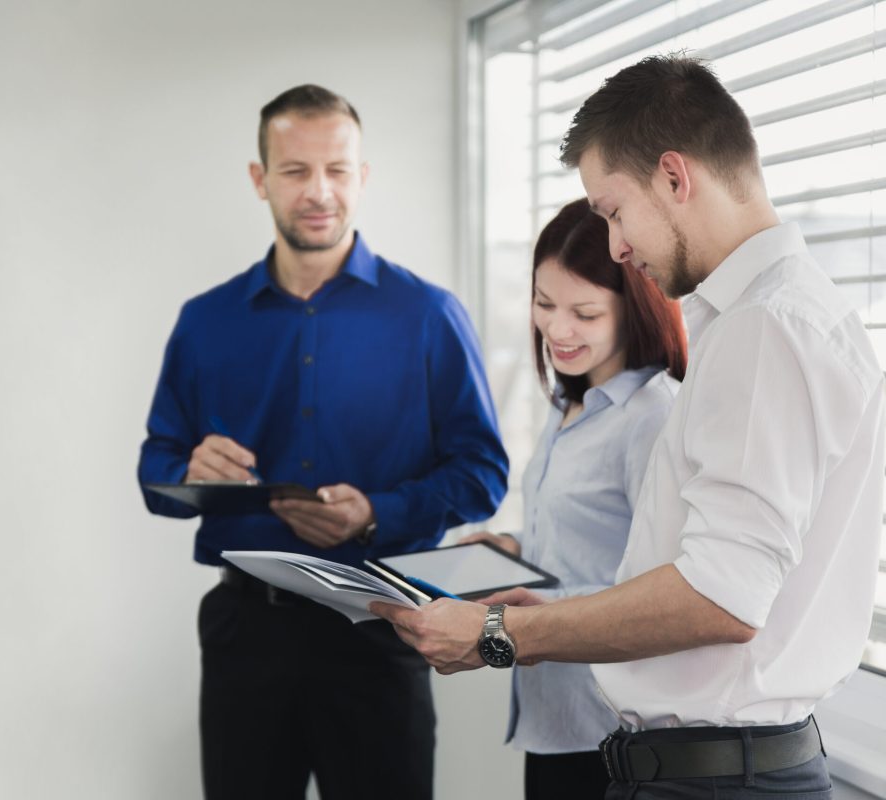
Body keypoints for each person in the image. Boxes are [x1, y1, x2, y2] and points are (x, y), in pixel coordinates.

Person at [372, 55, 885, 799]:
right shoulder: (786, 314)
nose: (614, 245)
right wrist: (546, 608)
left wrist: (500, 635)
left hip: (716, 780)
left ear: (674, 177)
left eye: (613, 211)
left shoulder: (764, 328)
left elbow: (722, 597)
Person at [137, 84, 508, 800]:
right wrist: (189, 469)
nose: (318, 191)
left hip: (381, 627)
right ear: (260, 179)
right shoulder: (205, 321)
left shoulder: (428, 315)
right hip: (246, 636)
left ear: (361, 177)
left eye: (337, 170)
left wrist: (374, 513)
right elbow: (156, 470)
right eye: (295, 170)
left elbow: (482, 474)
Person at [461, 198, 686, 799]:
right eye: (544, 304)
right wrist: (510, 548)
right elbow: (592, 536)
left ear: (633, 307)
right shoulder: (571, 402)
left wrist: (533, 613)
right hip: (553, 716)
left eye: (584, 313)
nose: (558, 331)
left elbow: (670, 586)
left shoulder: (651, 416)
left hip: (611, 729)